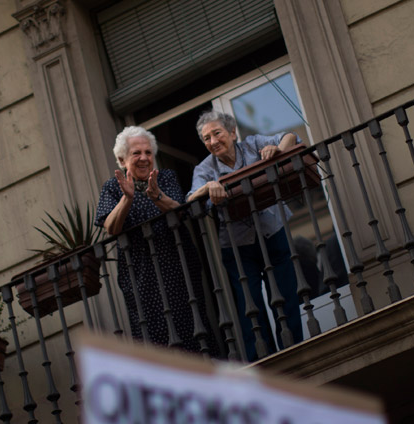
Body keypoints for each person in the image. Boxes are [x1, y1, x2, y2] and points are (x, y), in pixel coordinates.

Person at [188, 110, 308, 363]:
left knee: (286, 294)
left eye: (217, 133)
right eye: (206, 138)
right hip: (236, 245)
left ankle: (295, 351)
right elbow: (190, 198)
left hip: (273, 231)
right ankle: (262, 360)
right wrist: (209, 186)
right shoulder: (204, 168)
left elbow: (290, 136)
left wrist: (278, 150)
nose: (212, 141)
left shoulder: (252, 144)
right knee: (249, 306)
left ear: (232, 133)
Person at [96, 126, 214, 354]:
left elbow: (181, 211)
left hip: (178, 266)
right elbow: (111, 227)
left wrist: (157, 196)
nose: (144, 158)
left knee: (193, 326)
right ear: (122, 159)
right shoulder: (113, 187)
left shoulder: (165, 177)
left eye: (148, 153)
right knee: (154, 338)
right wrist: (127, 199)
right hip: (140, 275)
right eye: (136, 153)